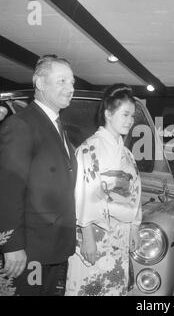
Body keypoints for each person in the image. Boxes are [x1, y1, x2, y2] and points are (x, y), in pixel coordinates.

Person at [0, 55, 77, 295]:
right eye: (62, 80)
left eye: (72, 82)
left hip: (53, 246)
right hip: (28, 251)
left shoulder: (56, 124)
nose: (70, 88)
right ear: (40, 83)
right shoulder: (21, 125)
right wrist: (11, 245)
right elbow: (8, 188)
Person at [65, 83, 142, 296]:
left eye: (132, 116)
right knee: (89, 285)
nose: (130, 121)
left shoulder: (126, 153)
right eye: (125, 114)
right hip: (95, 233)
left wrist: (134, 225)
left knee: (114, 287)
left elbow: (135, 192)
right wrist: (87, 235)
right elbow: (82, 194)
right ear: (108, 113)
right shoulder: (90, 148)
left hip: (120, 234)